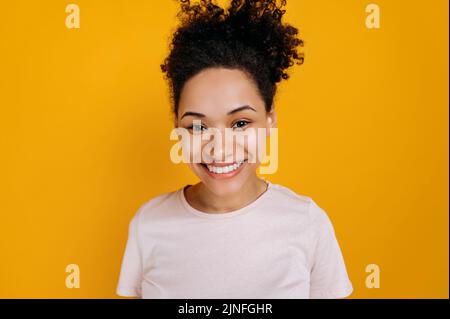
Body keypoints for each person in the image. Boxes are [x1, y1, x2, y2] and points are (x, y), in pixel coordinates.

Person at [116, 0, 353, 299]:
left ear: (269, 121)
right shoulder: (148, 225)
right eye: (198, 127)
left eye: (240, 123)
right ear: (177, 126)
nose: (219, 149)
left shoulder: (307, 223)